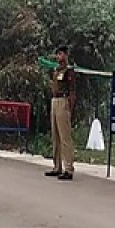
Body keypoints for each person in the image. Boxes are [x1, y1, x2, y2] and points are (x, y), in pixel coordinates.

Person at [45, 44, 76, 180]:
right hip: (55, 100)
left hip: (64, 101)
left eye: (61, 54)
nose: (59, 57)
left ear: (66, 55)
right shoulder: (56, 70)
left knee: (65, 137)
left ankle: (68, 168)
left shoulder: (69, 71)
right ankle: (57, 166)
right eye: (57, 54)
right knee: (55, 136)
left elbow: (72, 92)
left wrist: (71, 108)